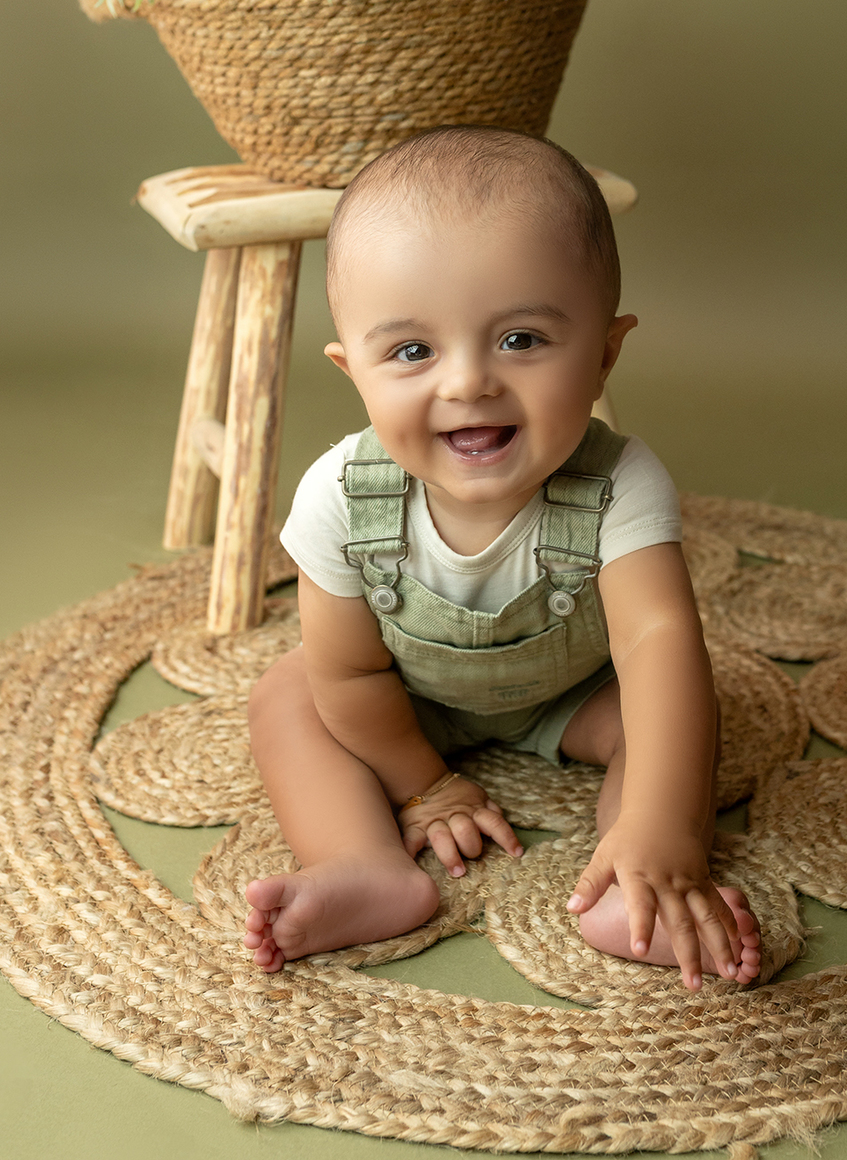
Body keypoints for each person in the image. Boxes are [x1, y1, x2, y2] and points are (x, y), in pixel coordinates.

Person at [243, 126, 761, 991]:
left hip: (572, 697)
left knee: (674, 715)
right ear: (352, 369)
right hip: (405, 700)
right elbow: (352, 677)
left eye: (520, 339)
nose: (468, 383)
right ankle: (360, 862)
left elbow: (656, 642)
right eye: (413, 351)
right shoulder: (339, 495)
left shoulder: (620, 483)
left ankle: (637, 878)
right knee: (288, 695)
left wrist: (662, 822)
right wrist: (424, 786)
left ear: (605, 353)